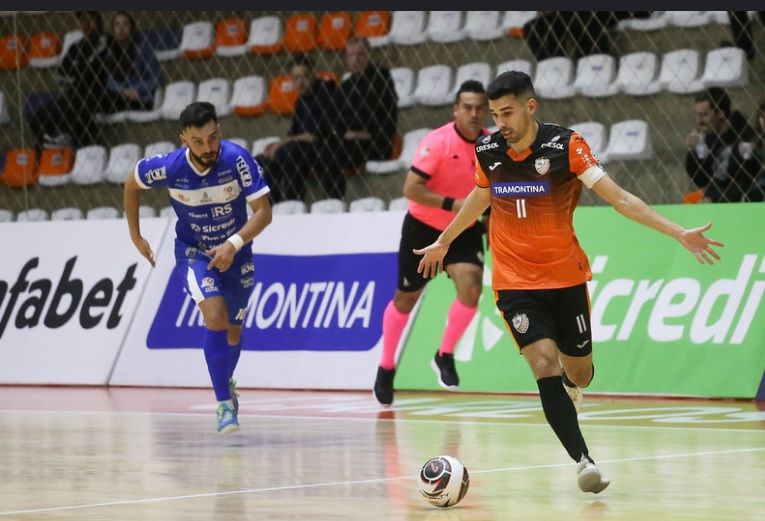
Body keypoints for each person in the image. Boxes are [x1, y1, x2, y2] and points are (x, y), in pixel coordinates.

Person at [414, 71, 723, 493]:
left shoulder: (567, 147)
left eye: (507, 112)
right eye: (494, 113)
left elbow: (621, 199)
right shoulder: (488, 149)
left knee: (580, 373)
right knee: (542, 362)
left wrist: (678, 233)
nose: (499, 122)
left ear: (530, 106)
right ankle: (584, 461)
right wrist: (445, 241)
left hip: (564, 277)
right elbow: (481, 196)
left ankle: (572, 384)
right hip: (514, 281)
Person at [123, 101, 272, 434]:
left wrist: (233, 245)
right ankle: (223, 405)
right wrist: (135, 235)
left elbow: (264, 212)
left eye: (213, 137)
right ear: (184, 140)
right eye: (199, 141)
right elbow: (130, 184)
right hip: (194, 251)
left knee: (233, 332)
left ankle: (225, 382)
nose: (208, 147)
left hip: (236, 252)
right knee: (215, 317)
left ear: (220, 131)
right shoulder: (168, 167)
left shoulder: (237, 160)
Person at [373, 80, 490, 406]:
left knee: (471, 288)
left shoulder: (491, 145)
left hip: (464, 230)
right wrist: (454, 205)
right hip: (424, 228)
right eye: (467, 107)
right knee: (405, 298)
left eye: (480, 107)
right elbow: (411, 188)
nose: (473, 113)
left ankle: (445, 354)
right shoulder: (438, 141)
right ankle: (386, 365)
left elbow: (495, 194)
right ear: (456, 110)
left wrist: (491, 223)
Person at [255, 55, 342, 201]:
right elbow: (294, 133)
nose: (300, 82)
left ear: (314, 74)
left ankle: (292, 200)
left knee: (286, 152)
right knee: (263, 159)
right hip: (301, 149)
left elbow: (315, 135)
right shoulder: (301, 101)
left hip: (325, 148)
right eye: (296, 78)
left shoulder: (327, 91)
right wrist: (275, 145)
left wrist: (282, 144)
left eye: (305, 76)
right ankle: (270, 205)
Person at [26, 11, 112, 149]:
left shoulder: (108, 42)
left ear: (99, 21)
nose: (87, 24)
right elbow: (60, 74)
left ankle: (72, 142)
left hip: (101, 93)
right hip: (75, 93)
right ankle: (48, 151)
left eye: (91, 20)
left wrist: (78, 70)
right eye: (83, 20)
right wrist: (81, 71)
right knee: (39, 115)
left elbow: (96, 70)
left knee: (78, 109)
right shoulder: (76, 47)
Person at [334, 36, 398, 177]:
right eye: (351, 55)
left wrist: (356, 131)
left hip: (376, 142)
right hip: (349, 141)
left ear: (369, 55)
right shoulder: (346, 86)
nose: (355, 59)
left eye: (360, 54)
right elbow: (336, 118)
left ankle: (332, 197)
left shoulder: (381, 77)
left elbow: (379, 115)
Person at [684, 87, 759, 202]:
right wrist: (693, 154)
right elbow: (700, 180)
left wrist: (713, 197)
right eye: (697, 115)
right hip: (715, 200)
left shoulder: (745, 136)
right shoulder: (708, 137)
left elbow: (746, 181)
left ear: (721, 113)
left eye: (704, 115)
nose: (699, 121)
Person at [101, 12, 164, 114]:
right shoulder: (110, 52)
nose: (121, 29)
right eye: (117, 25)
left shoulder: (143, 48)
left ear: (132, 28)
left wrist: (136, 89)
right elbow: (109, 81)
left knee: (103, 100)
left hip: (140, 96)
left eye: (125, 24)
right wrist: (122, 91)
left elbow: (156, 79)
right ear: (113, 29)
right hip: (119, 94)